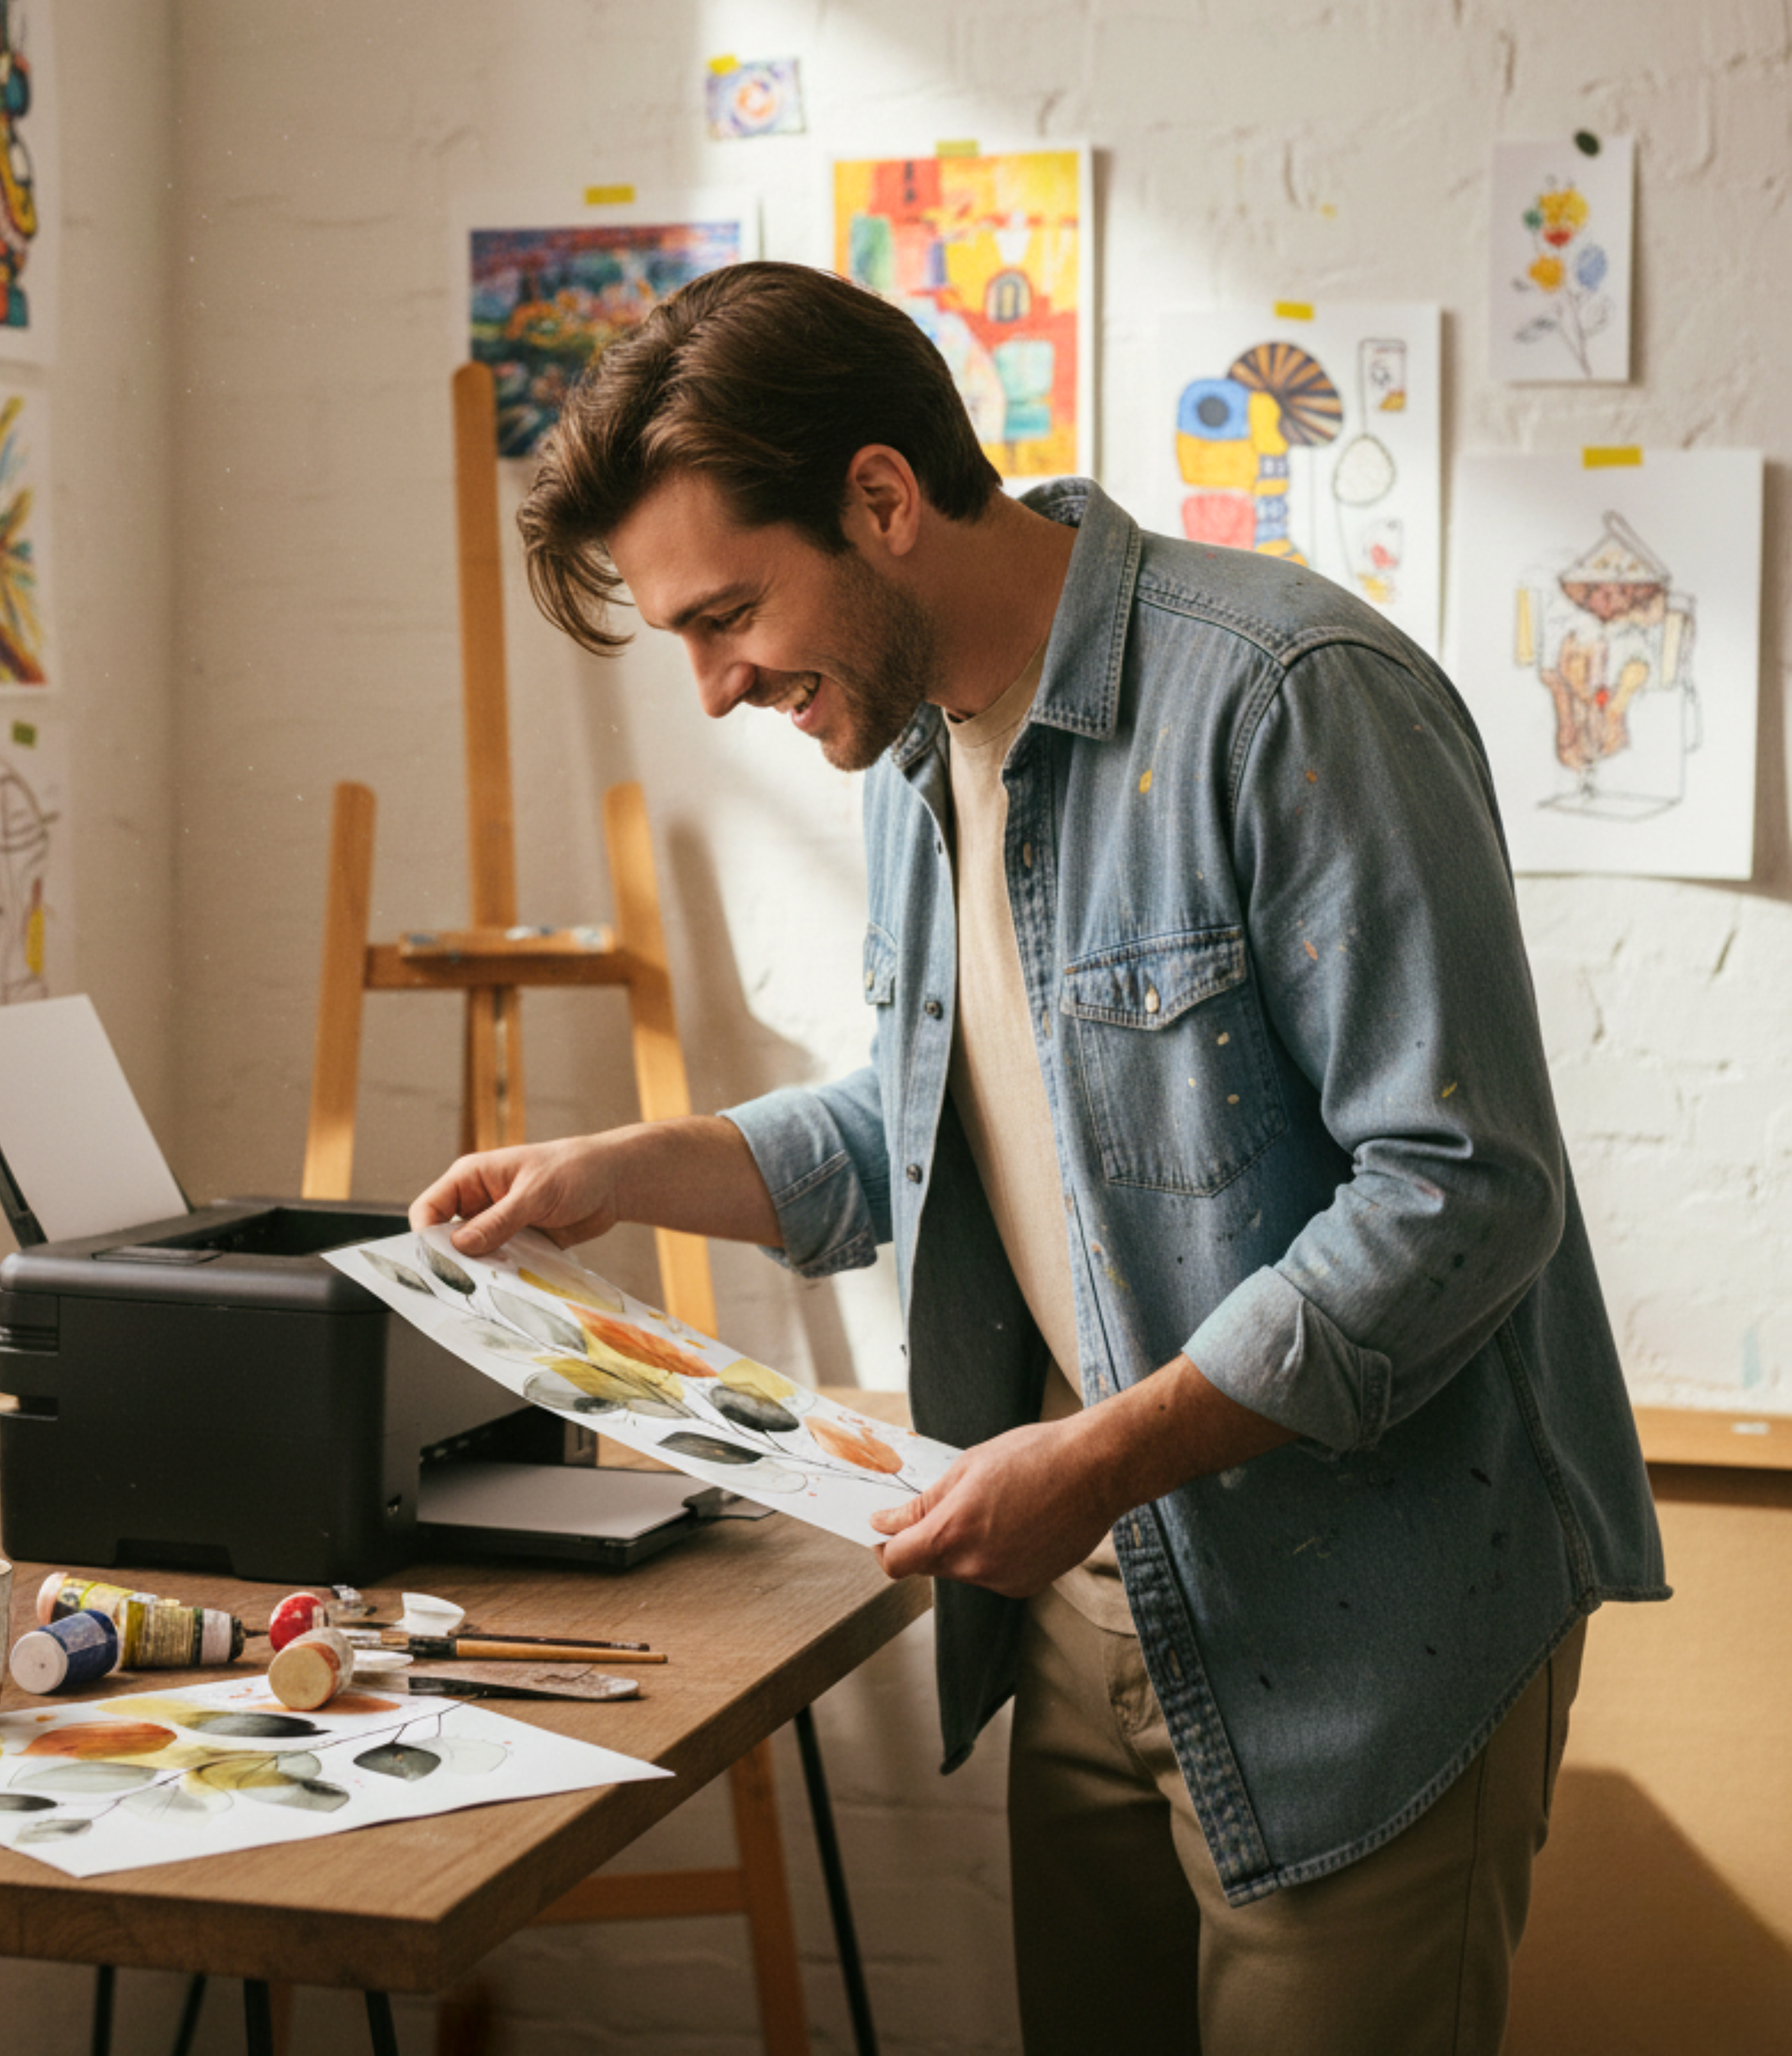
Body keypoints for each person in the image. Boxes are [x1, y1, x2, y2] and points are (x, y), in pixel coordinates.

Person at [408, 260, 1666, 2056]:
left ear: (881, 500)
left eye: (728, 615)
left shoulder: (1291, 697)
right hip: (1088, 1580)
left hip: (1368, 1619)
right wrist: (620, 1171)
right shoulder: (916, 752)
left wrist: (1095, 1457)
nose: (708, 688)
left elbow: (1463, 1191)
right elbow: (928, 1125)